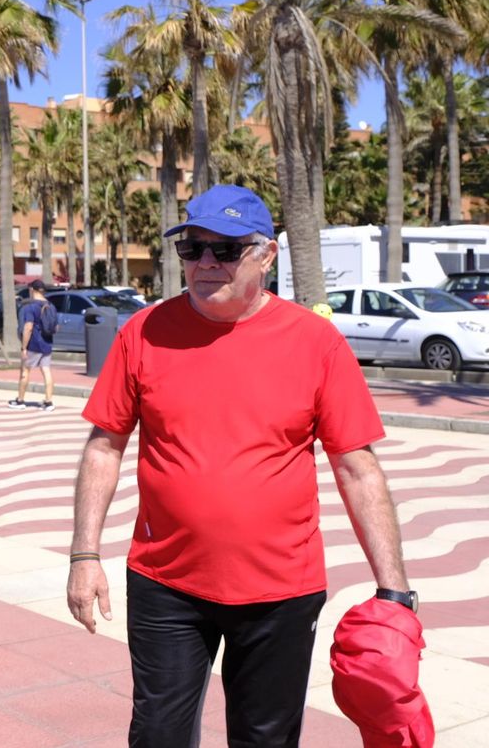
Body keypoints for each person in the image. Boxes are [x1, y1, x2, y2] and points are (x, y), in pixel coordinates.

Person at [67, 184, 413, 747]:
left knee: (265, 740)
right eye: (192, 248)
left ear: (266, 255)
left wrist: (392, 589)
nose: (205, 262)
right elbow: (104, 447)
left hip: (281, 589)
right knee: (157, 735)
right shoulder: (143, 333)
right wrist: (85, 555)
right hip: (165, 583)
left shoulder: (315, 341)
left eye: (225, 250)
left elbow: (357, 467)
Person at [10, 280, 56, 411]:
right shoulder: (50, 306)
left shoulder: (29, 307)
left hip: (33, 344)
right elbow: (56, 326)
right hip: (47, 343)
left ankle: (20, 400)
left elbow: (28, 328)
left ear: (32, 290)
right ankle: (48, 402)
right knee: (46, 371)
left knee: (25, 370)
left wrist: (24, 347)